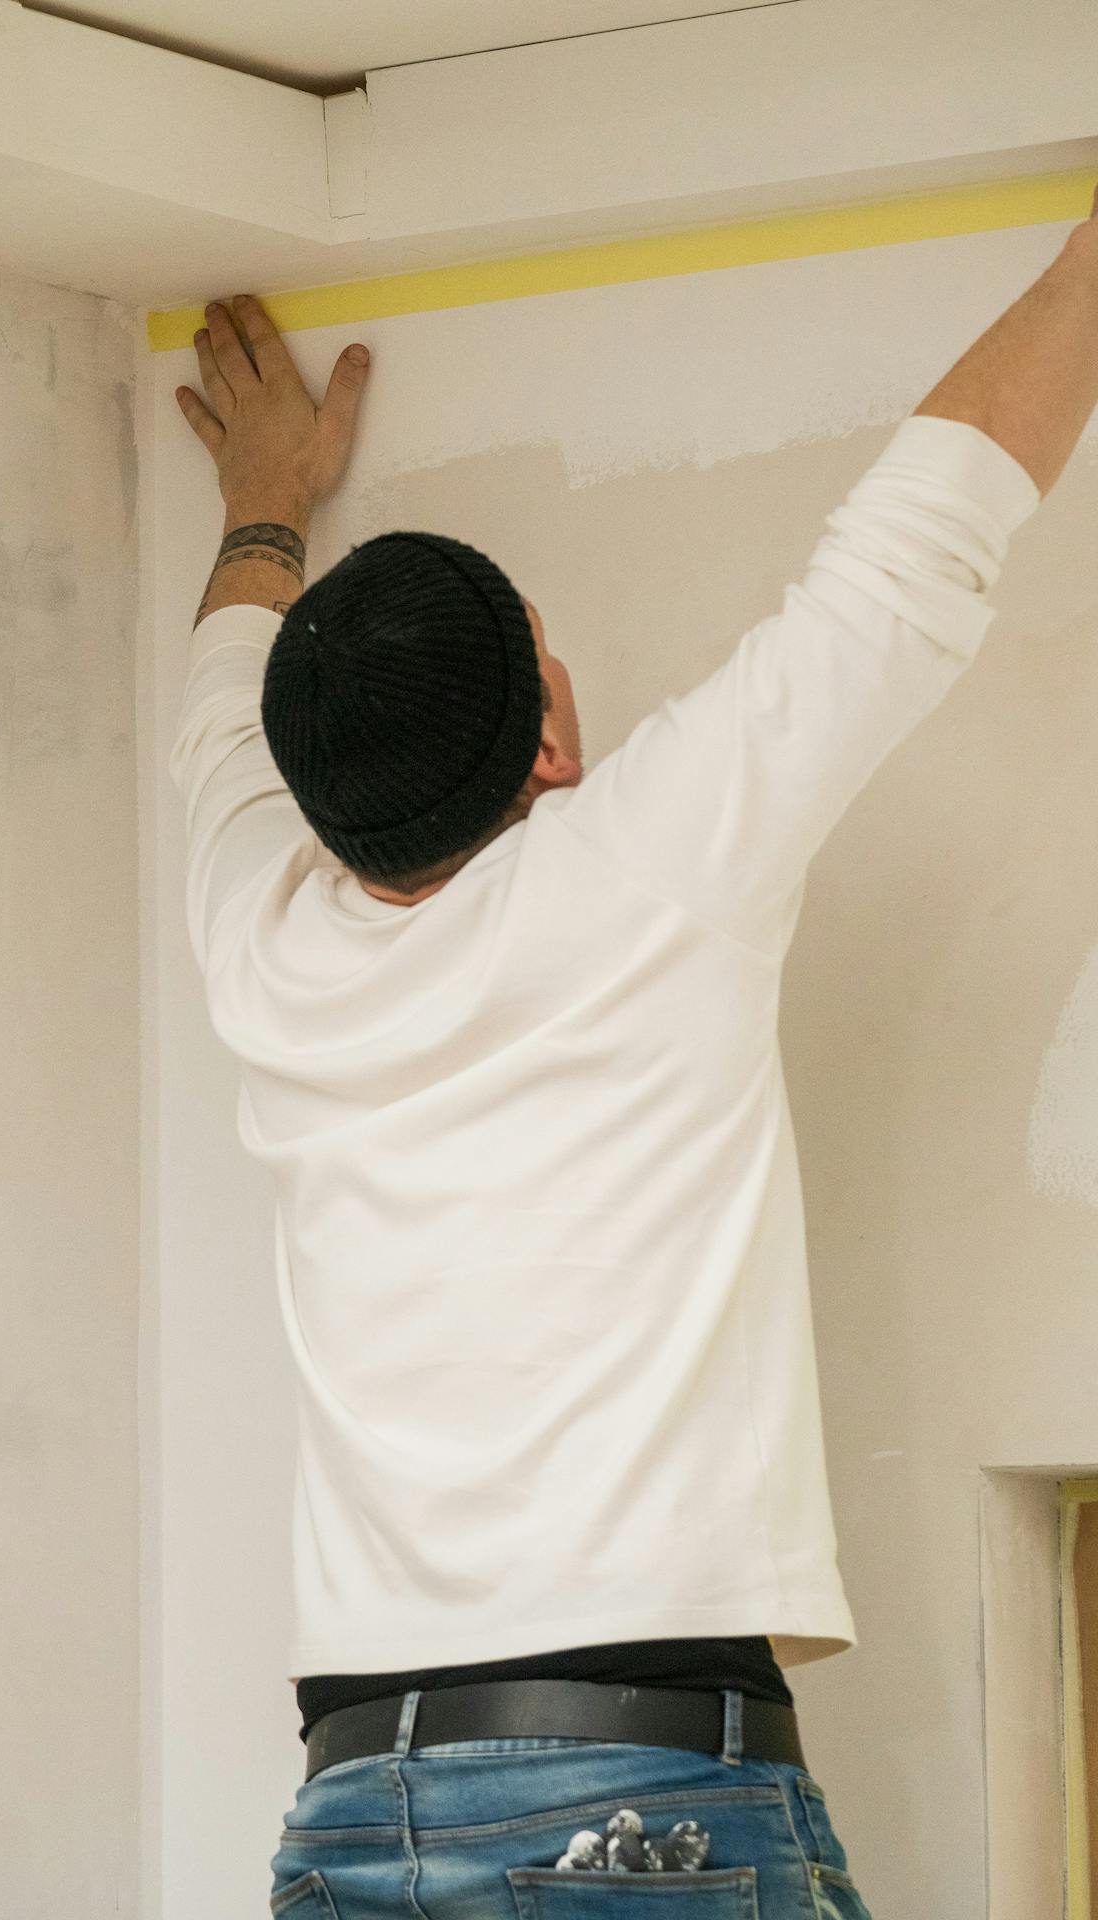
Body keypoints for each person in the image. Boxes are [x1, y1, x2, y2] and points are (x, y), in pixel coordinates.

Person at [167, 180, 1098, 1919]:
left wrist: (261, 510)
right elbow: (914, 549)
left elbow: (222, 701)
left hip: (361, 1814)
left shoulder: (258, 942)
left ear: (314, 808)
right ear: (555, 737)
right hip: (636, 1811)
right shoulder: (642, 875)